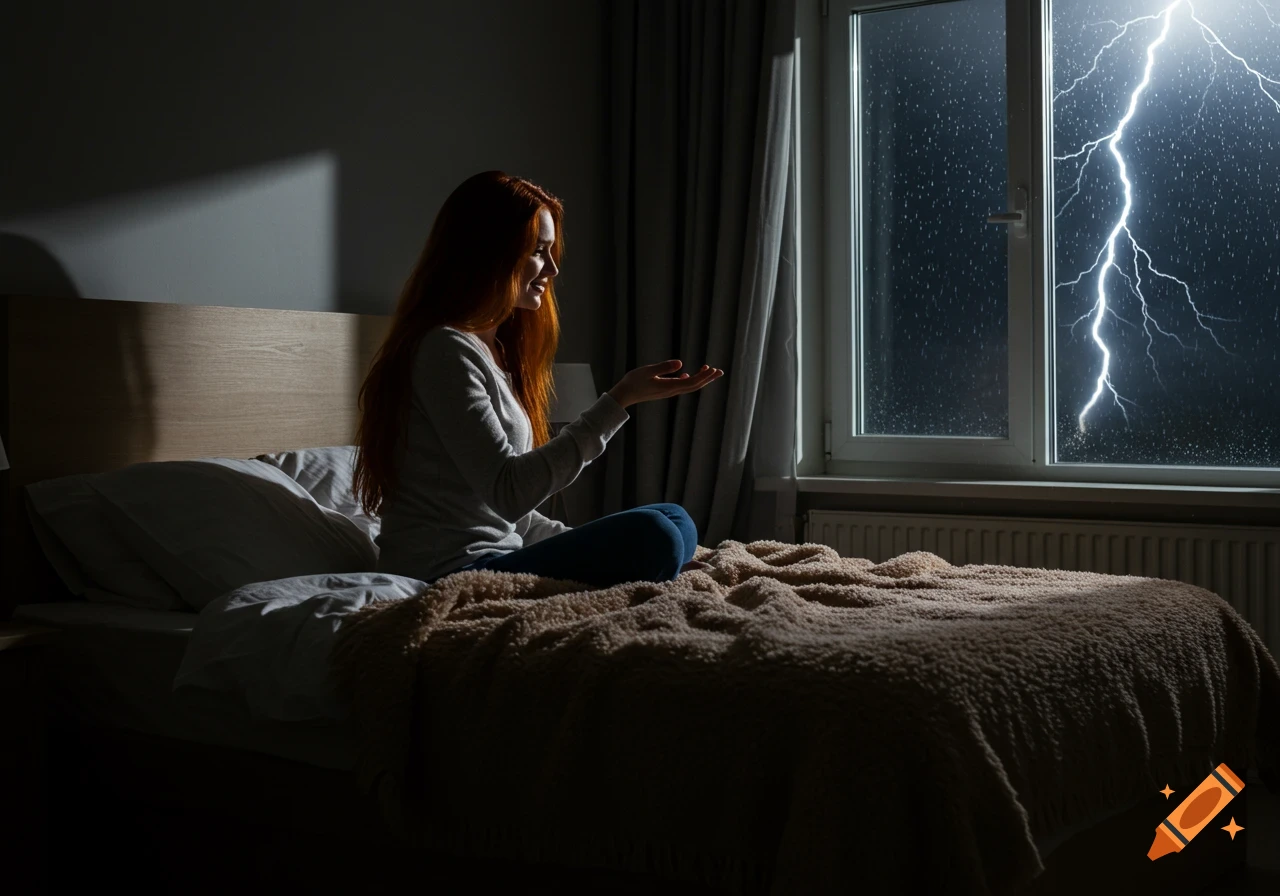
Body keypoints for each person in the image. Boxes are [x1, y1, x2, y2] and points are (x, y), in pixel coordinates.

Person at [353, 171, 723, 588]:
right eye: (537, 251)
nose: (552, 267)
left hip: (500, 554)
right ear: (489, 252)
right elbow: (509, 491)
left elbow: (510, 515)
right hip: (449, 571)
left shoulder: (491, 352)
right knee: (656, 535)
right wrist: (619, 400)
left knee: (674, 520)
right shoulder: (443, 349)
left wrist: (590, 545)